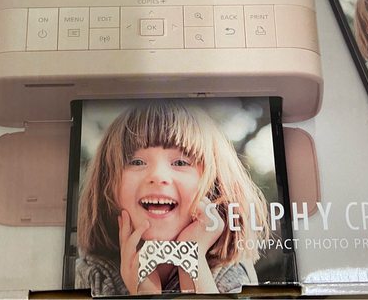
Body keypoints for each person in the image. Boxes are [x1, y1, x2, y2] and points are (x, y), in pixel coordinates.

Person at [75, 100, 269, 296]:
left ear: (213, 186)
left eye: (180, 162)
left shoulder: (230, 272)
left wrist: (190, 259)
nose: (158, 176)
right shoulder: (94, 275)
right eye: (137, 162)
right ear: (106, 183)